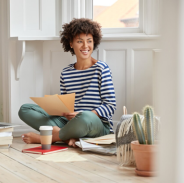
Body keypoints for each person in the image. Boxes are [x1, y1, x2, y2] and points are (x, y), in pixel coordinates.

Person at [18, 18, 116, 147]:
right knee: (25, 109)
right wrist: (62, 111)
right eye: (80, 41)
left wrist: (82, 114)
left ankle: (50, 138)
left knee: (85, 117)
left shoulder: (102, 69)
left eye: (89, 41)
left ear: (94, 42)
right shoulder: (66, 72)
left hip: (94, 124)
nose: (85, 46)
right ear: (71, 43)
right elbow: (66, 106)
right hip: (70, 123)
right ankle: (66, 138)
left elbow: (110, 106)